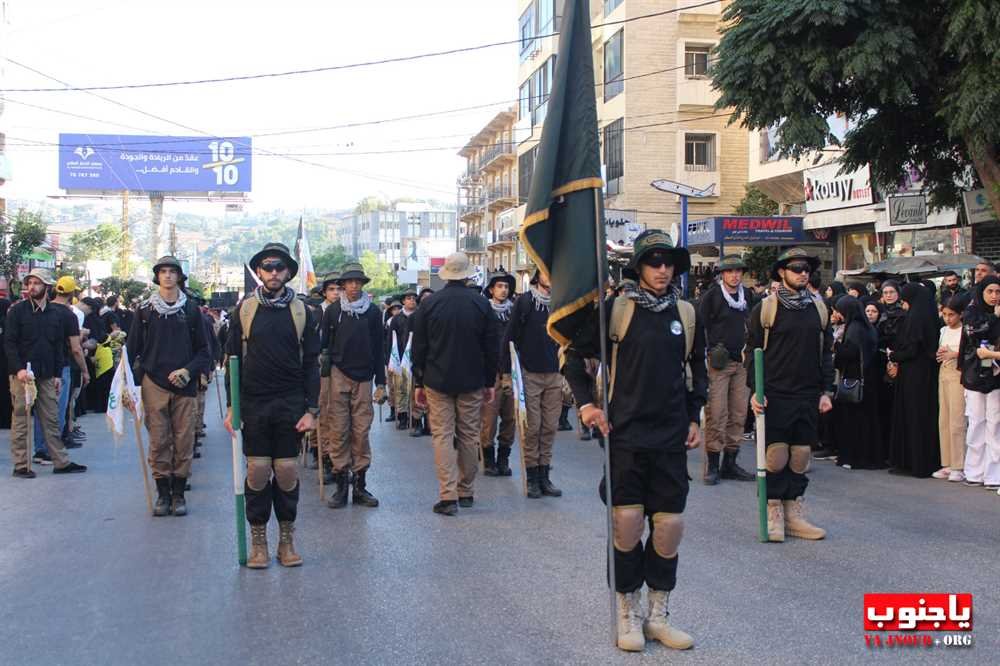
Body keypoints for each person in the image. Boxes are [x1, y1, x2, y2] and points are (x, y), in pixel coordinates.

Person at [565, 230, 705, 653]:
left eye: (668, 263)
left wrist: (694, 416)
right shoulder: (616, 310)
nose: (662, 269)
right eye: (653, 262)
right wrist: (587, 406)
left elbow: (697, 370)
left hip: (670, 436)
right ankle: (627, 612)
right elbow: (573, 357)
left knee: (669, 528)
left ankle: (658, 615)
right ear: (639, 267)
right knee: (627, 526)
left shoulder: (686, 312)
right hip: (624, 434)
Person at [224, 242, 320, 568]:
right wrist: (231, 407)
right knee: (258, 470)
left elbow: (311, 365)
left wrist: (312, 410)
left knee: (287, 469)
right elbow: (231, 361)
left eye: (280, 267)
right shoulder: (245, 310)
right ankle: (259, 542)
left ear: (288, 272)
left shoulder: (303, 312)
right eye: (268, 267)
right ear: (259, 272)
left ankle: (287, 540)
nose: (274, 272)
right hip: (253, 402)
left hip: (290, 402)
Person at [747, 248, 833, 543]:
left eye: (806, 268)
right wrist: (754, 392)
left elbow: (826, 353)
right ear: (782, 272)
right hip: (775, 394)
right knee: (776, 456)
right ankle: (773, 512)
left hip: (808, 394)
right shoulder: (766, 309)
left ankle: (794, 512)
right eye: (796, 268)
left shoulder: (819, 308)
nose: (802, 273)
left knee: (801, 455)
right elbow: (752, 353)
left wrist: (826, 390)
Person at [411, 252, 498, 516]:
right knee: (470, 435)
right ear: (468, 273)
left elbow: (419, 348)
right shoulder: (482, 305)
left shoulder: (429, 304)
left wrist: (418, 382)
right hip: (472, 380)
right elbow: (492, 347)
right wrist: (489, 381)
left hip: (437, 380)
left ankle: (447, 496)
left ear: (446, 274)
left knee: (442, 436)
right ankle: (467, 490)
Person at [127, 257, 211, 515]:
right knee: (158, 441)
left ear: (179, 277)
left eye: (172, 272)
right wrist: (126, 386)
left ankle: (178, 494)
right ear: (157, 277)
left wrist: (188, 371)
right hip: (154, 383)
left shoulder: (192, 310)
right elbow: (131, 351)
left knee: (184, 440)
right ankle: (162, 494)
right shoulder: (144, 311)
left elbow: (204, 351)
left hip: (184, 385)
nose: (167, 276)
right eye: (162, 271)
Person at [5, 269, 87, 478]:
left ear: (47, 287)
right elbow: (9, 344)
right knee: (21, 419)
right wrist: (19, 369)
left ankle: (61, 461)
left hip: (48, 374)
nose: (32, 286)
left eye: (37, 283)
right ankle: (21, 465)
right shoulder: (17, 311)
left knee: (51, 419)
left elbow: (59, 347)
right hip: (23, 375)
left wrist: (58, 374)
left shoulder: (56, 314)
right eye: (30, 282)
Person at [320, 262, 386, 509]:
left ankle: (359, 486)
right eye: (349, 282)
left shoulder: (373, 313)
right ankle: (340, 486)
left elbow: (380, 349)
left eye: (358, 282)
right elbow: (323, 346)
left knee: (361, 432)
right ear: (343, 285)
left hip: (365, 377)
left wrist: (382, 382)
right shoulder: (333, 311)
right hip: (337, 374)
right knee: (338, 431)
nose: (353, 286)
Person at [502, 269, 564, 499]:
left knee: (549, 427)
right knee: (532, 427)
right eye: (547, 272)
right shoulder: (525, 302)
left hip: (554, 373)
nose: (551, 276)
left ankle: (545, 476)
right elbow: (510, 337)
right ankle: (532, 479)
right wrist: (507, 373)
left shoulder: (561, 302)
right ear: (538, 276)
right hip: (529, 372)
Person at [698, 255, 755, 485]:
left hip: (741, 361)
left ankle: (730, 462)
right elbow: (701, 327)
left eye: (738, 271)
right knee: (717, 413)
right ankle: (712, 464)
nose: (735, 275)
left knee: (739, 413)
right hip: (718, 364)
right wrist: (709, 351)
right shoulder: (711, 296)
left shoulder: (748, 295)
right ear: (722, 274)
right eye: (730, 271)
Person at [32, 277, 90, 462]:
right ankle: (52, 450)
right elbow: (75, 348)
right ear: (72, 294)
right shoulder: (69, 315)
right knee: (57, 410)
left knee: (40, 410)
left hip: (37, 366)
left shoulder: (42, 310)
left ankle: (40, 449)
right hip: (61, 366)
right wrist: (85, 370)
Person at [887, 283, 940, 477]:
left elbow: (911, 349)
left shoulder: (914, 319)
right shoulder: (930, 316)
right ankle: (923, 461)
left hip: (913, 375)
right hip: (926, 374)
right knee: (923, 416)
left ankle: (912, 462)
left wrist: (893, 356)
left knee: (912, 415)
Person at [830, 296, 882, 470]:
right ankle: (866, 456)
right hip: (868, 379)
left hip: (854, 379)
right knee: (866, 420)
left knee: (854, 420)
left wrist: (836, 348)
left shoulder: (854, 328)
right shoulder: (866, 327)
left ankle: (855, 457)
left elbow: (850, 353)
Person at [958, 276, 1000, 490]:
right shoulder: (972, 314)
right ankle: (974, 471)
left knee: (995, 425)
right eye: (990, 291)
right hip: (975, 375)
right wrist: (995, 319)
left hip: (996, 377)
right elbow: (974, 333)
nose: (994, 296)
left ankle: (994, 475)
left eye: (998, 292)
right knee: (976, 424)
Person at [480, 271, 517, 476]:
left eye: (506, 286)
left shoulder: (514, 312)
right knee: (489, 419)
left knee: (510, 419)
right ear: (492, 289)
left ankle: (504, 458)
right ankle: (489, 460)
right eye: (500, 286)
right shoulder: (484, 311)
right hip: (491, 373)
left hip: (512, 372)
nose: (504, 290)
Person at [933, 293, 970, 482]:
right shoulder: (943, 331)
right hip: (943, 373)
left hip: (958, 374)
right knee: (944, 419)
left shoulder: (966, 330)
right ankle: (946, 462)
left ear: (961, 314)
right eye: (945, 314)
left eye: (951, 315)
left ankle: (959, 464)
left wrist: (953, 354)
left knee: (957, 420)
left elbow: (970, 352)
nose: (948, 318)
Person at [388, 289, 427, 437]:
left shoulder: (420, 316)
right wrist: (390, 361)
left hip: (416, 358)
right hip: (400, 359)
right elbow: (390, 340)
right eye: (408, 298)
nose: (411, 301)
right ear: (403, 301)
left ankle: (417, 421)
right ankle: (402, 417)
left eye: (413, 298)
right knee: (401, 389)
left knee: (416, 391)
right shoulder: (397, 319)